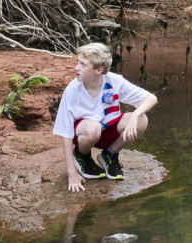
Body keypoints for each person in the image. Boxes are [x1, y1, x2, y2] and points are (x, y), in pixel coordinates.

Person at [54, 42, 158, 190]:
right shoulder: (72, 90)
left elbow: (151, 98)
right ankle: (82, 156)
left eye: (83, 65)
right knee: (94, 128)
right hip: (87, 134)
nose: (76, 67)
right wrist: (72, 173)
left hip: (108, 130)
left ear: (99, 70)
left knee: (142, 119)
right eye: (77, 62)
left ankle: (109, 154)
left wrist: (134, 116)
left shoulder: (114, 80)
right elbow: (65, 132)